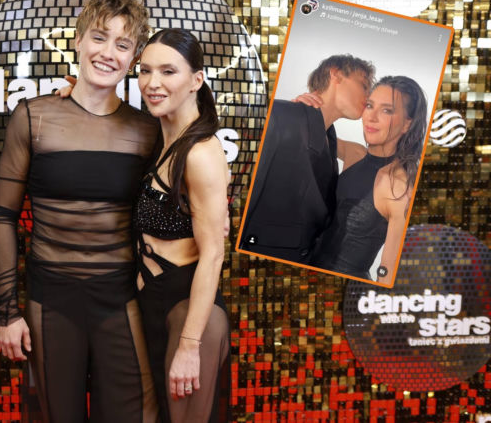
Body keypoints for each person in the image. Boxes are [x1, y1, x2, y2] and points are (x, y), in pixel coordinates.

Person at [0, 0, 160, 422]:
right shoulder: (33, 118)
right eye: (99, 38)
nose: (108, 53)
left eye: (122, 44)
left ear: (133, 58)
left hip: (121, 299)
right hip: (51, 299)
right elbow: (3, 217)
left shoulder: (147, 131)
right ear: (79, 41)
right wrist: (7, 312)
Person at [134, 28, 230, 422]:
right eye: (144, 71)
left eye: (168, 71)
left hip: (189, 310)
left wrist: (190, 345)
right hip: (150, 302)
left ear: (196, 80)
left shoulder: (201, 152)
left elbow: (213, 254)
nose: (152, 83)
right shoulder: (162, 138)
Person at [238, 55, 375, 264]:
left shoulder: (330, 140)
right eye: (364, 85)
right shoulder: (279, 115)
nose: (369, 96)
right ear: (336, 74)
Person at [307, 76, 427, 284]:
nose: (371, 117)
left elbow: (389, 272)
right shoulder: (355, 154)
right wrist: (306, 105)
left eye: (387, 110)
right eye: (370, 106)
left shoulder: (399, 187)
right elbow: (312, 129)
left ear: (407, 124)